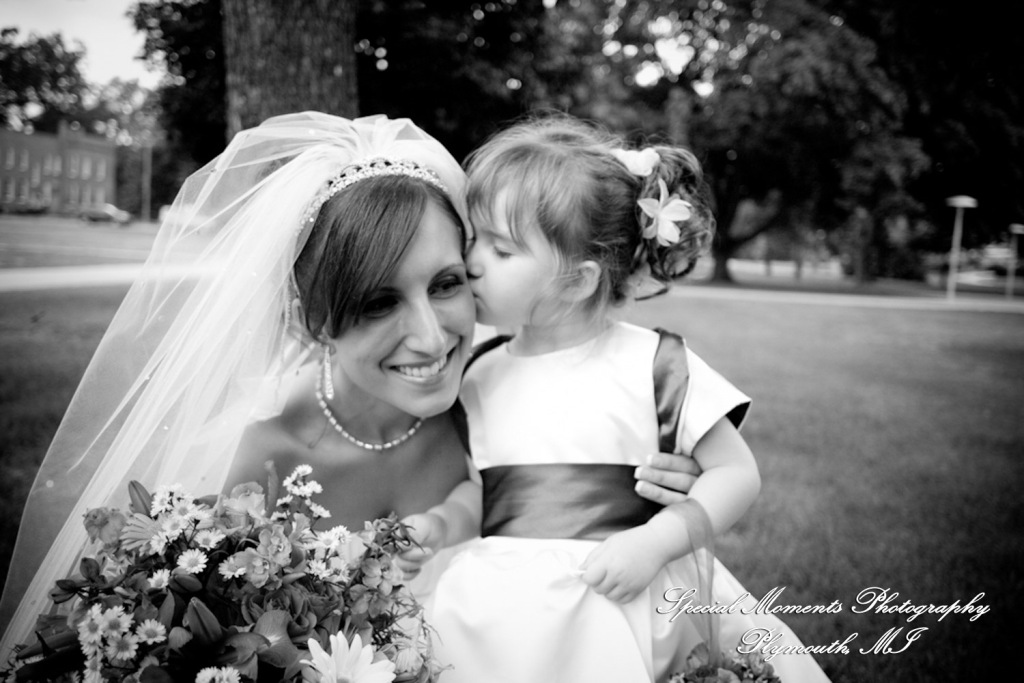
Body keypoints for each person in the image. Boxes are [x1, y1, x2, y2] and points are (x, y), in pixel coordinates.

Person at [0, 113, 700, 656]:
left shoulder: (502, 398)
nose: (432, 338)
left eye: (448, 282)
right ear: (313, 323)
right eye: (378, 303)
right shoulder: (249, 465)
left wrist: (657, 473)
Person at [399, 115, 832, 682]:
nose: (472, 262)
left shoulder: (654, 363)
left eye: (501, 251)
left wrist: (657, 542)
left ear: (577, 281)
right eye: (473, 239)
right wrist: (441, 524)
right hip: (498, 610)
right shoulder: (478, 372)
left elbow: (736, 474)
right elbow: (487, 489)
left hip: (627, 597)